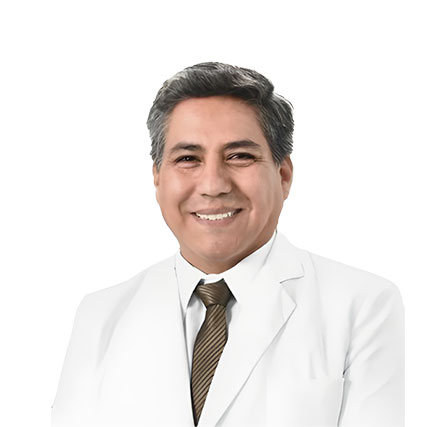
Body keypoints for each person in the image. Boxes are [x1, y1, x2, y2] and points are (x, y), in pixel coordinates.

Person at [51, 62, 404, 427]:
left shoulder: (363, 305)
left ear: (283, 175)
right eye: (188, 159)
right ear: (157, 178)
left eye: (240, 156)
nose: (213, 185)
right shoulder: (100, 314)